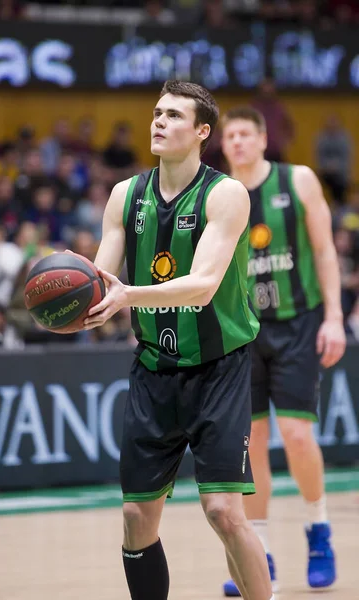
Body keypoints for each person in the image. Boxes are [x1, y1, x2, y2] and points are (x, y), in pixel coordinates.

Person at [82, 81, 274, 600]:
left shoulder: (226, 193)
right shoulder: (126, 196)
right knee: (135, 517)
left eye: (173, 115)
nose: (158, 122)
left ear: (202, 132)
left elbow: (203, 285)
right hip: (153, 370)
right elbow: (102, 284)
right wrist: (83, 305)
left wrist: (124, 297)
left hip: (219, 368)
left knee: (224, 512)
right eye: (156, 112)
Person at [221, 106, 346, 596]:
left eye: (245, 134)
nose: (237, 143)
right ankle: (261, 556)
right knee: (249, 445)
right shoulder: (216, 193)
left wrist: (334, 317)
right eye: (229, 135)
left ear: (262, 138)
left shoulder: (299, 181)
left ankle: (318, 532)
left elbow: (324, 251)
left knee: (295, 434)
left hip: (298, 321)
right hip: (241, 332)